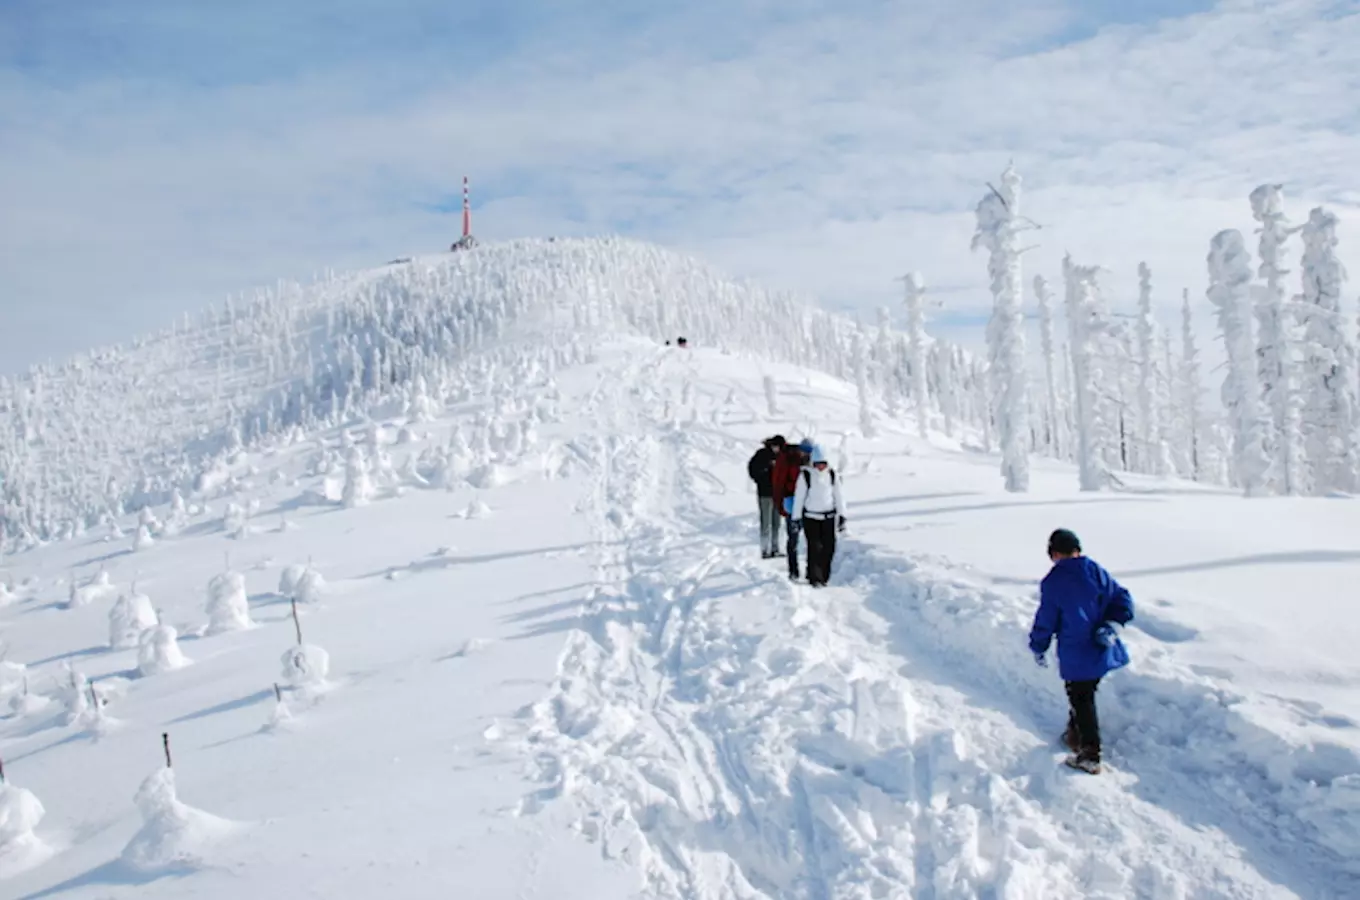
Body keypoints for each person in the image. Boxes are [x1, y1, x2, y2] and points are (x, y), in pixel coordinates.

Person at [1028, 528, 1135, 774]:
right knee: (1084, 693)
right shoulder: (1095, 570)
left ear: (1053, 553)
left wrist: (1038, 644)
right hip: (1100, 648)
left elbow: (1046, 619)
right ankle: (1074, 735)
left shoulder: (1054, 581)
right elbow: (1123, 599)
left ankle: (1090, 754)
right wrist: (1112, 625)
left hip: (1076, 650)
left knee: (1080, 696)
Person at [791, 446, 846, 587]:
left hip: (828, 517)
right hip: (811, 517)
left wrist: (842, 515)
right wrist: (796, 518)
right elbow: (799, 498)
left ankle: (824, 575)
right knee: (814, 547)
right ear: (813, 463)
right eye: (817, 464)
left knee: (829, 547)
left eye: (823, 464)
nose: (820, 467)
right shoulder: (806, 476)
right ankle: (815, 578)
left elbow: (839, 496)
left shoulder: (833, 475)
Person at [772, 438, 814, 579]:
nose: (805, 454)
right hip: (792, 504)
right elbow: (779, 482)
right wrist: (780, 504)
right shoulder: (788, 459)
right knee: (793, 539)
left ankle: (811, 571)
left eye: (808, 452)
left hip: (810, 506)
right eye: (803, 451)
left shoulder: (815, 461)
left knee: (812, 540)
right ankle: (793, 571)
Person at [748, 435, 785, 558]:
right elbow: (752, 469)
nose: (777, 449)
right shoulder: (762, 454)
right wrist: (764, 474)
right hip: (765, 494)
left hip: (778, 494)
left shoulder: (783, 456)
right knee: (766, 522)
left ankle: (775, 548)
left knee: (777, 523)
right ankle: (765, 549)